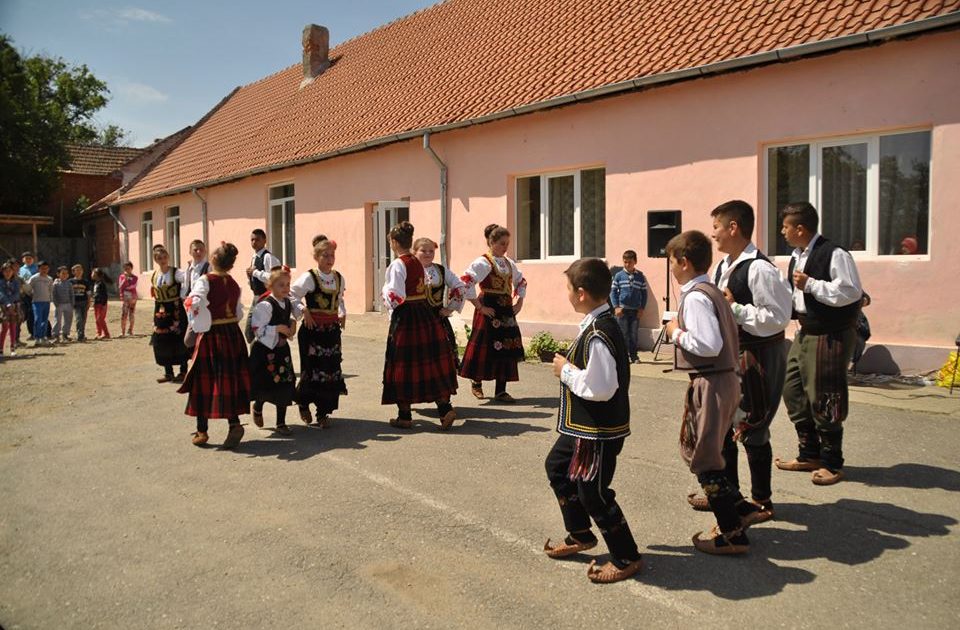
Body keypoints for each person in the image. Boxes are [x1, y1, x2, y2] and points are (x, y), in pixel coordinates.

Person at [684, 200, 790, 519]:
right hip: (731, 356)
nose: (712, 234)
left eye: (716, 227)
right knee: (724, 427)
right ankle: (729, 497)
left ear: (733, 228)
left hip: (759, 356)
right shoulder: (721, 267)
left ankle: (761, 501)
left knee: (752, 427)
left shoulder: (759, 268)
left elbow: (778, 317)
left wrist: (735, 309)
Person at [664, 231, 766, 555]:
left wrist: (675, 332)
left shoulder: (695, 297)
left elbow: (708, 344)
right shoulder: (712, 291)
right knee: (714, 448)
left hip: (712, 382)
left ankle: (732, 533)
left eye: (671, 262)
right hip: (723, 380)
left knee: (705, 459)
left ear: (683, 262)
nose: (670, 268)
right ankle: (741, 507)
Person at [543, 258, 643, 583]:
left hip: (598, 431)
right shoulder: (594, 322)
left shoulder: (600, 331)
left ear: (582, 293)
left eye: (569, 289)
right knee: (557, 467)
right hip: (581, 428)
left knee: (594, 493)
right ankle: (580, 532)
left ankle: (626, 555)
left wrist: (566, 371)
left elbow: (600, 388)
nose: (568, 295)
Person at [776, 202, 863, 486]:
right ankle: (809, 453)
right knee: (792, 390)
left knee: (826, 395)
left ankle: (832, 462)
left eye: (786, 226)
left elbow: (851, 292)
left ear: (800, 228)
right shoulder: (797, 255)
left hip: (830, 333)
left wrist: (812, 284)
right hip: (805, 331)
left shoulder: (834, 253)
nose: (783, 231)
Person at [381, 222, 459, 429]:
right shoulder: (417, 262)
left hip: (406, 317)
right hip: (424, 314)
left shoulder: (398, 264)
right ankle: (444, 410)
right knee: (430, 362)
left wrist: (385, 295)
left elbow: (396, 297)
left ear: (394, 242)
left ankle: (405, 415)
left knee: (403, 363)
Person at [179, 242, 251, 448]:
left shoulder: (205, 280)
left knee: (203, 381)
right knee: (229, 380)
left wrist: (199, 320)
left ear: (213, 260)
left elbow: (194, 300)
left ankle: (202, 431)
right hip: (232, 335)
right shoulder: (234, 283)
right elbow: (238, 313)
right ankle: (234, 423)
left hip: (212, 336)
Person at [459, 224, 527, 402]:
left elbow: (521, 282)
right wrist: (479, 307)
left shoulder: (509, 263)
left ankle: (501, 390)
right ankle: (476, 382)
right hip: (488, 307)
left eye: (507, 244)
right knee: (485, 346)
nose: (505, 247)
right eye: (502, 244)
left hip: (505, 308)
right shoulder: (483, 262)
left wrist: (519, 302)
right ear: (492, 242)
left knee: (506, 346)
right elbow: (466, 282)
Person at [290, 237, 348, 427]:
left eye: (332, 255)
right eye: (325, 255)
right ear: (316, 257)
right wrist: (303, 310)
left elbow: (339, 299)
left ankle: (323, 413)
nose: (329, 259)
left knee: (330, 371)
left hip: (331, 332)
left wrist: (341, 313)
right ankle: (304, 402)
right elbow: (292, 294)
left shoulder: (338, 277)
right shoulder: (309, 277)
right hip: (313, 331)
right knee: (313, 370)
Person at [414, 236, 466, 407]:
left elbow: (460, 286)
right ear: (415, 252)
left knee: (441, 360)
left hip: (437, 320)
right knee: (418, 360)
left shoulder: (441, 271)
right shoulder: (409, 270)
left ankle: (443, 397)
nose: (428, 254)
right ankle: (417, 394)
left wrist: (450, 308)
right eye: (424, 251)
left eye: (431, 251)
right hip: (416, 322)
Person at [250, 266, 301, 436]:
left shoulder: (287, 302)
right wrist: (277, 328)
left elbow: (292, 317)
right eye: (281, 285)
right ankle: (258, 407)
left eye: (287, 285)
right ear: (270, 287)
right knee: (265, 385)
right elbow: (257, 329)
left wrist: (292, 324)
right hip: (264, 353)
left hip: (281, 351)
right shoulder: (265, 305)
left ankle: (281, 422)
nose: (286, 288)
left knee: (285, 384)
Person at [150, 245, 189, 383]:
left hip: (175, 308)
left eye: (164, 257)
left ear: (168, 257)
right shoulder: (155, 275)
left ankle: (183, 371)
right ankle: (168, 372)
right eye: (159, 258)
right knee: (162, 338)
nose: (163, 260)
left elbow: (188, 281)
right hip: (160, 309)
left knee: (178, 337)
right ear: (155, 259)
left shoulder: (176, 272)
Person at [610, 249, 648, 363]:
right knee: (623, 334)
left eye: (630, 262)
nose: (627, 264)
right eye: (625, 262)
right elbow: (613, 292)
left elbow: (644, 293)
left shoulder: (640, 276)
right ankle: (623, 356)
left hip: (635, 311)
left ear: (635, 262)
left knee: (633, 334)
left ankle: (634, 356)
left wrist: (642, 308)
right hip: (622, 310)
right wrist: (616, 307)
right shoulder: (619, 276)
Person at [245, 229, 281, 343]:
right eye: (252, 240)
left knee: (260, 327)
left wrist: (255, 273)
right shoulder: (254, 257)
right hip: (256, 296)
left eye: (257, 240)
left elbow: (274, 277)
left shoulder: (268, 257)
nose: (254, 242)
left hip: (266, 297)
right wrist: (250, 277)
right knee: (249, 330)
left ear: (264, 240)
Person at [27, 261, 53, 347]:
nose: (44, 270)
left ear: (48, 269)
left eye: (46, 268)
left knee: (44, 320)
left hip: (46, 302)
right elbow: (28, 288)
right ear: (38, 269)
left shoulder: (49, 279)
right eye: (42, 268)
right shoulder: (34, 278)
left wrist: (51, 300)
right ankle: (37, 337)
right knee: (38, 319)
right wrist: (31, 294)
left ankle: (43, 336)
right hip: (36, 302)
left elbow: (51, 290)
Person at [0, 261, 20, 357]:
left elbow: (17, 294)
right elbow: (1, 294)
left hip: (14, 306)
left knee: (13, 327)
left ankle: (13, 348)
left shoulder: (16, 282)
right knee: (4, 327)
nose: (8, 273)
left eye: (10, 271)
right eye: (5, 271)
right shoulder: (0, 282)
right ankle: (1, 350)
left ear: (13, 271)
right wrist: (8, 303)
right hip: (4, 307)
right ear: (2, 272)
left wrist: (11, 303)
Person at [51, 266, 75, 343]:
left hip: (68, 304)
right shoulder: (55, 283)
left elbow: (71, 294)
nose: (65, 275)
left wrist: (72, 303)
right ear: (58, 274)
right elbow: (53, 294)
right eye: (63, 273)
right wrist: (56, 303)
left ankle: (65, 334)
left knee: (68, 320)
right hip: (59, 304)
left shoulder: (69, 284)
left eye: (66, 273)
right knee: (57, 320)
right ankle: (56, 335)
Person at [70, 264, 92, 342]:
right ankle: (80, 335)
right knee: (78, 318)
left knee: (83, 319)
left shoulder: (85, 282)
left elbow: (88, 293)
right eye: (77, 270)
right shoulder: (71, 282)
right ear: (73, 272)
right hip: (75, 303)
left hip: (84, 302)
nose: (79, 271)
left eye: (80, 270)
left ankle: (82, 334)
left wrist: (89, 302)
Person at [19, 252, 37, 340]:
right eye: (26, 258)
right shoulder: (20, 269)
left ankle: (43, 332)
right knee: (26, 314)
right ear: (23, 260)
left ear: (33, 259)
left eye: (30, 258)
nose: (28, 260)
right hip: (24, 295)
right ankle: (31, 333)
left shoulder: (36, 268)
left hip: (35, 294)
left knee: (35, 314)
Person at [117, 262, 138, 337]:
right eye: (125, 269)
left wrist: (126, 285)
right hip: (125, 297)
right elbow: (120, 286)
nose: (127, 270)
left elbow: (133, 286)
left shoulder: (135, 277)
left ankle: (130, 330)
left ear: (131, 269)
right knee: (124, 314)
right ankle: (122, 331)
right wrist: (125, 280)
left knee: (131, 313)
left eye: (128, 268)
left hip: (132, 297)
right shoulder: (122, 276)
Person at [91, 268, 112, 339]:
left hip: (101, 304)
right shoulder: (95, 283)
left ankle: (106, 333)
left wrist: (103, 304)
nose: (91, 275)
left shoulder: (101, 284)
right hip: (96, 304)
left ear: (97, 275)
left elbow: (104, 295)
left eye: (93, 273)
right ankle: (98, 333)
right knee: (97, 319)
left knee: (100, 319)